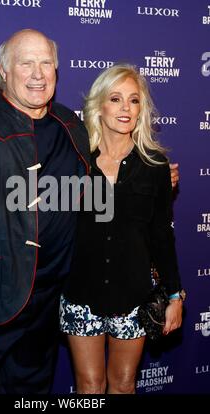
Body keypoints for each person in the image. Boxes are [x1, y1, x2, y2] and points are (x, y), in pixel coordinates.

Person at [0, 29, 179, 394]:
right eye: (26, 63)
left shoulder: (69, 127)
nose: (38, 73)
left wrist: (153, 180)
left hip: (46, 313)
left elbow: (97, 195)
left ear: (57, 71)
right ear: (3, 69)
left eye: (46, 63)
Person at [60, 64, 185, 394]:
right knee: (88, 386)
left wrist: (174, 293)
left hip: (132, 296)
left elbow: (162, 235)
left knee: (124, 384)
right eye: (116, 99)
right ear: (99, 106)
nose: (126, 109)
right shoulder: (76, 160)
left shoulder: (155, 166)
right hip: (80, 294)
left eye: (134, 100)